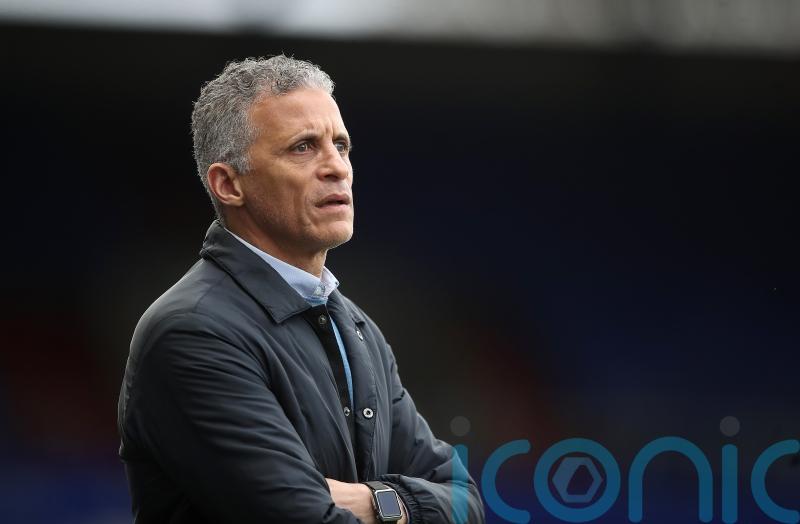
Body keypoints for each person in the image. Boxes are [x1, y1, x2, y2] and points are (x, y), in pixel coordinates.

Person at [117, 55, 485, 524]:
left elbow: (465, 502)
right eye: (303, 148)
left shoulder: (357, 328)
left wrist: (375, 502)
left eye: (342, 145)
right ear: (229, 184)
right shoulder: (192, 333)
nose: (337, 168)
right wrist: (406, 504)